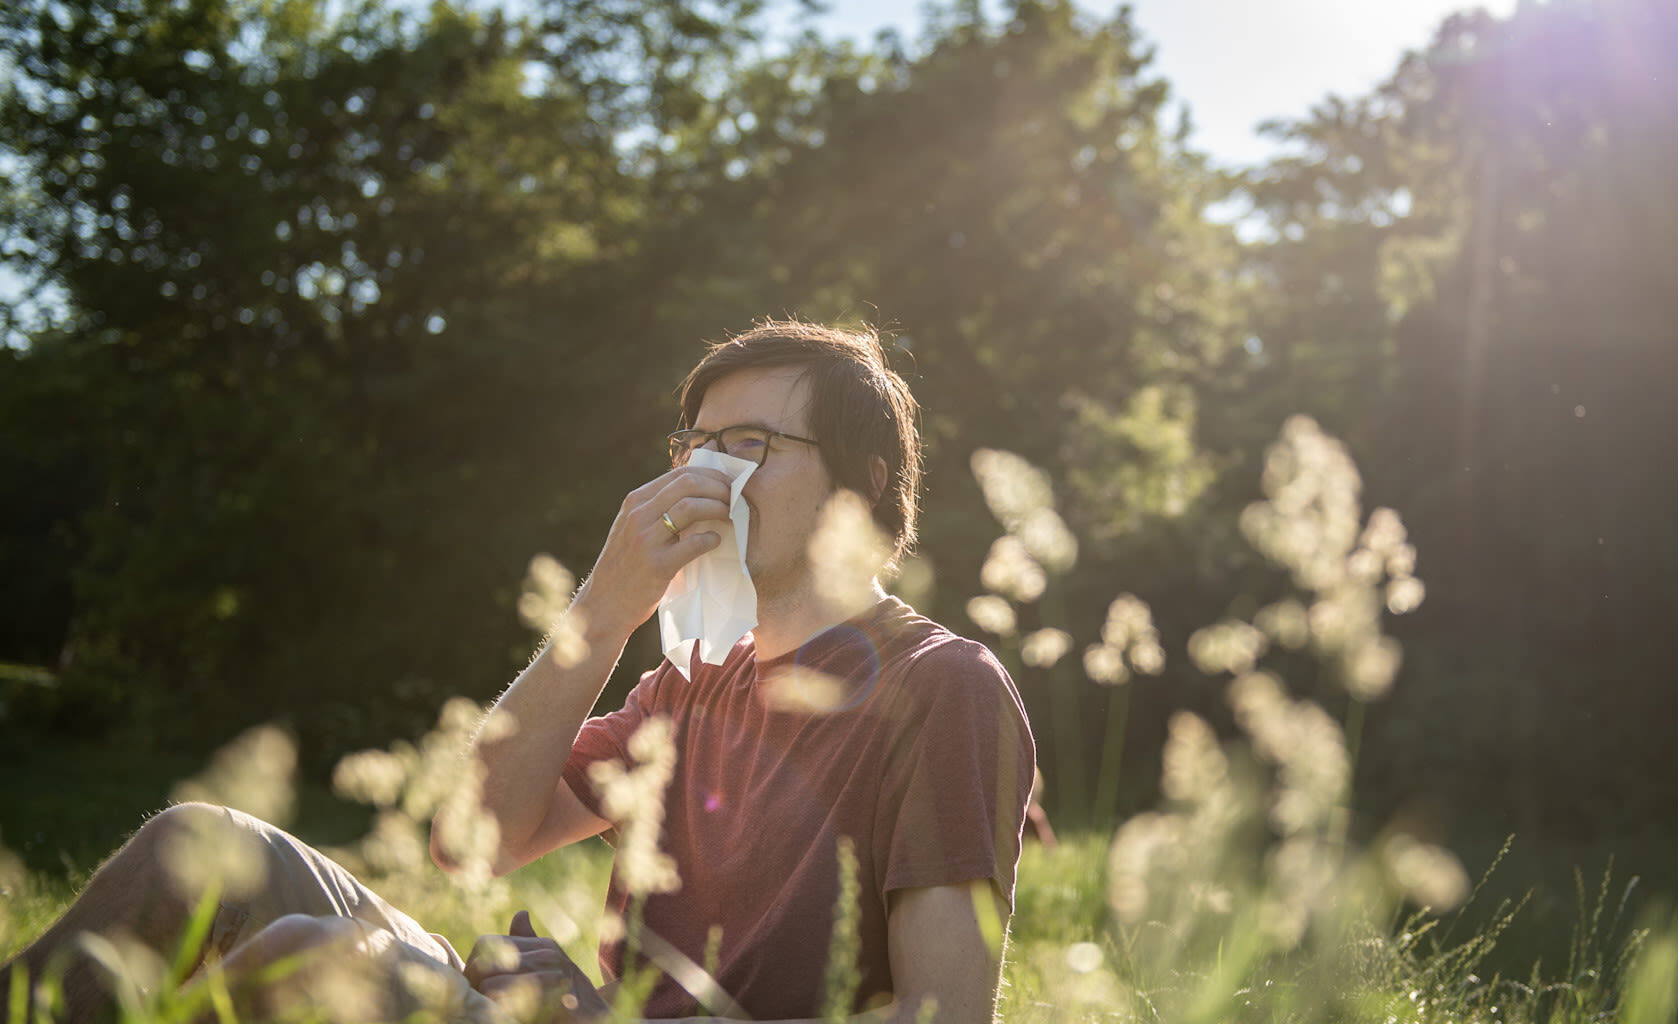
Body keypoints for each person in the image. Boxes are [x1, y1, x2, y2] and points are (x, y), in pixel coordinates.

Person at [1, 320, 1038, 1024]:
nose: (706, 475)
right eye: (698, 444)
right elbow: (474, 838)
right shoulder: (689, 683)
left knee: (325, 954)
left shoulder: (943, 686)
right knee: (199, 842)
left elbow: (942, 1016)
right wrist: (602, 609)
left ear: (865, 485)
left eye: (752, 443)